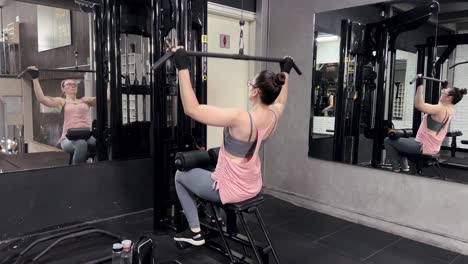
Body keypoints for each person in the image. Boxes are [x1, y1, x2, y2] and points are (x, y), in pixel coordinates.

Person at [172, 47, 294, 246]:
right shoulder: (274, 116)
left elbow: (192, 109)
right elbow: (281, 99)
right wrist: (285, 72)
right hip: (252, 185)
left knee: (180, 176)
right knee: (211, 168)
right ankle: (217, 218)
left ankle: (195, 233)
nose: (248, 86)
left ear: (255, 91)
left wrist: (182, 67)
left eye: (250, 83)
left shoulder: (240, 118)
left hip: (231, 189)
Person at [384, 76, 467, 172]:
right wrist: (444, 88)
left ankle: (395, 169)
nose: (441, 94)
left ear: (449, 98)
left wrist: (420, 86)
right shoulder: (450, 110)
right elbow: (442, 102)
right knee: (402, 140)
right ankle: (405, 168)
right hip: (432, 147)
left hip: (422, 146)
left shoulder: (439, 109)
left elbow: (419, 105)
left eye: (443, 93)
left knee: (388, 140)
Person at [27, 66, 96, 165]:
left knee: (102, 141)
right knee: (81, 144)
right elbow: (41, 99)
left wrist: (109, 81)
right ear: (63, 89)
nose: (73, 85)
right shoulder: (61, 101)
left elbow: (107, 98)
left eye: (74, 84)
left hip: (87, 135)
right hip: (69, 139)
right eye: (69, 84)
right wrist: (35, 78)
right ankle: (78, 173)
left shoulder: (85, 100)